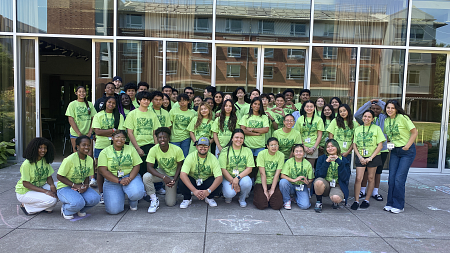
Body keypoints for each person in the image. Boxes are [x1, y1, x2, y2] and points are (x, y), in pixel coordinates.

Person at [98, 130, 145, 214]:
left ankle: (133, 201)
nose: (120, 140)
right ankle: (119, 194)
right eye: (117, 137)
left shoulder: (131, 149)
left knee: (137, 192)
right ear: (112, 138)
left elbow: (137, 165)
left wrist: (129, 179)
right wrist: (119, 181)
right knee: (113, 211)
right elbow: (103, 171)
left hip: (129, 176)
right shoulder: (104, 152)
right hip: (112, 180)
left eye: (123, 138)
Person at [383, 100, 418, 214]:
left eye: (392, 108)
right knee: (391, 178)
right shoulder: (387, 120)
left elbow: (414, 132)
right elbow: (389, 135)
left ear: (396, 109)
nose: (390, 110)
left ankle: (399, 205)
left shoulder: (403, 118)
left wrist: (407, 146)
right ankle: (390, 203)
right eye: (388, 107)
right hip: (394, 151)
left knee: (399, 179)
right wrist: (389, 143)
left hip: (406, 151)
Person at [57, 136, 100, 219]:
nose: (87, 147)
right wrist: (74, 185)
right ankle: (66, 209)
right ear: (77, 147)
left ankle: (80, 209)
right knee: (78, 202)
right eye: (84, 145)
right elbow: (59, 176)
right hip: (65, 187)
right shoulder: (69, 159)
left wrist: (86, 186)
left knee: (95, 198)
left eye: (88, 145)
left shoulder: (90, 160)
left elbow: (87, 176)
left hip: (80, 185)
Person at [92, 97, 125, 203]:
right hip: (101, 145)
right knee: (101, 170)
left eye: (114, 103)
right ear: (105, 103)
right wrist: (112, 130)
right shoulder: (98, 115)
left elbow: (120, 133)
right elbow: (97, 132)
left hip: (115, 146)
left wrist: (106, 131)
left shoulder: (119, 116)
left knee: (117, 167)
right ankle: (102, 193)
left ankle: (118, 190)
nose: (111, 104)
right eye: (109, 102)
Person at [143, 127, 184, 213]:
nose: (162, 139)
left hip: (173, 175)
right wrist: (163, 177)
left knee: (170, 203)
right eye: (160, 137)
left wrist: (174, 179)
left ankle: (170, 189)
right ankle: (154, 200)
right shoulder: (154, 149)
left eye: (165, 137)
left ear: (168, 138)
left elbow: (180, 166)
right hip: (162, 172)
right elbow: (149, 167)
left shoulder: (177, 149)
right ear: (157, 138)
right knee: (146, 176)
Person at [351, 110, 386, 210]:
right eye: (365, 116)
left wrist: (370, 157)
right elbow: (354, 144)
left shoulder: (377, 128)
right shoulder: (358, 129)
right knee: (358, 178)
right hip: (360, 157)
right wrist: (360, 157)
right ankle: (356, 200)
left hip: (373, 157)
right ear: (362, 117)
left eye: (369, 117)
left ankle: (366, 200)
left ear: (373, 119)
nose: (366, 118)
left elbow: (380, 145)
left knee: (371, 178)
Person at [15, 137, 57, 215]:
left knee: (60, 188)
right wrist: (46, 191)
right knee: (52, 200)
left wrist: (52, 186)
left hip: (40, 186)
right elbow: (26, 184)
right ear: (34, 148)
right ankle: (27, 207)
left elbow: (49, 176)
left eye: (45, 148)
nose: (43, 150)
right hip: (25, 191)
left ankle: (46, 207)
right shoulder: (26, 164)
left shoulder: (44, 160)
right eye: (40, 148)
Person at [124, 91, 161, 177]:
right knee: (139, 170)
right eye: (144, 99)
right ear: (139, 100)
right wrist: (137, 148)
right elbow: (130, 133)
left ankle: (156, 188)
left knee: (152, 169)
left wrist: (156, 148)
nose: (146, 101)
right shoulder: (132, 114)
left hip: (150, 145)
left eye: (148, 100)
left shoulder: (153, 114)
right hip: (137, 146)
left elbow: (155, 133)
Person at [179, 137, 223, 208]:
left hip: (206, 182)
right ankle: (187, 198)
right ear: (197, 146)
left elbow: (219, 177)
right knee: (182, 180)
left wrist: (208, 191)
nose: (203, 148)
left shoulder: (213, 158)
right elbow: (182, 174)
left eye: (205, 146)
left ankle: (209, 197)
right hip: (193, 181)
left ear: (209, 147)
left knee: (218, 183)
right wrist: (194, 191)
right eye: (200, 146)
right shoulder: (190, 157)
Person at [313, 139, 351, 213]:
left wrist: (339, 162)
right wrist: (326, 162)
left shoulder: (344, 160)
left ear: (337, 147)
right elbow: (318, 175)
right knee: (318, 182)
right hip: (326, 183)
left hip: (337, 184)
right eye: (328, 147)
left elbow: (345, 178)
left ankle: (335, 201)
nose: (330, 148)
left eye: (332, 146)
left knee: (336, 198)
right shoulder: (321, 158)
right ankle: (319, 202)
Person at [219, 129, 254, 207]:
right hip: (228, 177)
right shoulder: (225, 151)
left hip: (241, 176)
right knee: (229, 194)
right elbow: (223, 169)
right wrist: (234, 182)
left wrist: (237, 178)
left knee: (247, 182)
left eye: (241, 138)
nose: (239, 140)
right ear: (232, 138)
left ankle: (242, 198)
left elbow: (249, 168)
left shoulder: (247, 150)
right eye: (236, 137)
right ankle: (229, 195)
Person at [279, 144, 314, 210]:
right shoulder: (289, 162)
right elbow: (282, 175)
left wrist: (307, 181)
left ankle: (296, 197)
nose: (298, 153)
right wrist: (293, 180)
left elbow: (311, 178)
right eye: (296, 151)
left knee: (305, 206)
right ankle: (287, 200)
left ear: (304, 153)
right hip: (291, 185)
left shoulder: (307, 163)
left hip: (301, 186)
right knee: (283, 182)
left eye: (300, 151)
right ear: (293, 153)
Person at [253, 137, 284, 210]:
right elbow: (262, 174)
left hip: (274, 182)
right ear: (267, 146)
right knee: (261, 205)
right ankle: (262, 196)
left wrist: (272, 189)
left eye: (276, 145)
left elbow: (277, 174)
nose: (274, 147)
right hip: (261, 182)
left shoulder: (281, 155)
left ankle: (270, 198)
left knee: (277, 206)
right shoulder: (261, 154)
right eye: (272, 145)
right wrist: (265, 191)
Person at [66, 86, 97, 154]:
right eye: (79, 91)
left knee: (89, 154)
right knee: (76, 154)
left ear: (86, 93)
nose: (82, 93)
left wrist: (90, 132)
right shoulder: (72, 104)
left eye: (83, 91)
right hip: (75, 134)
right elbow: (71, 120)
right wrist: (78, 133)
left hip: (88, 134)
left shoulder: (89, 104)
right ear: (76, 93)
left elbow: (94, 119)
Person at [239, 97, 270, 164]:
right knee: (248, 164)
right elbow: (242, 130)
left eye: (259, 104)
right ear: (251, 105)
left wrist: (251, 129)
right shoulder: (246, 116)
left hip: (260, 146)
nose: (257, 106)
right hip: (247, 145)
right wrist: (256, 133)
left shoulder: (264, 117)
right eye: (255, 104)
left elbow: (266, 129)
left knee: (258, 165)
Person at [295, 100, 324, 167]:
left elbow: (319, 135)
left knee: (310, 167)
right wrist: (304, 147)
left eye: (311, 106)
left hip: (313, 147)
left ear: (314, 108)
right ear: (304, 108)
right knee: (300, 166)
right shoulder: (300, 119)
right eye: (307, 106)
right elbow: (298, 134)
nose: (309, 108)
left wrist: (313, 148)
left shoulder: (319, 119)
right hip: (301, 147)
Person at [169, 93, 197, 157]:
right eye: (180, 101)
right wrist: (168, 137)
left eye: (184, 100)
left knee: (185, 157)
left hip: (186, 139)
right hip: (174, 139)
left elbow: (192, 128)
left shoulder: (192, 114)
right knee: (175, 157)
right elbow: (169, 125)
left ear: (188, 101)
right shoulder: (173, 111)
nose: (182, 102)